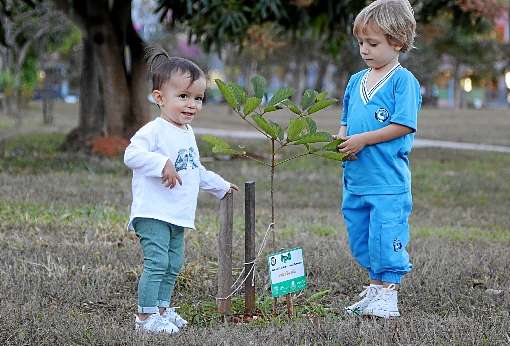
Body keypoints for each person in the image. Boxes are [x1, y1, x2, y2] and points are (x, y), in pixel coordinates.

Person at [124, 48, 238, 333]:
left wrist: (220, 186)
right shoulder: (154, 131)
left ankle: (162, 309)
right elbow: (131, 155)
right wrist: (161, 162)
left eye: (198, 98)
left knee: (173, 263)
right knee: (158, 262)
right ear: (159, 97)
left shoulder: (187, 133)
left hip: (176, 214)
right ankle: (145, 318)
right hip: (153, 212)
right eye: (183, 97)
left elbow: (193, 170)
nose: (192, 105)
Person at [335, 0, 422, 318]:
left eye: (373, 43)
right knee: (362, 237)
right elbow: (346, 119)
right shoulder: (356, 81)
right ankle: (374, 289)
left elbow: (402, 125)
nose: (364, 50)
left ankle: (388, 294)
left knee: (386, 236)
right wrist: (343, 138)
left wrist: (363, 140)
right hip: (356, 179)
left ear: (397, 42)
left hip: (387, 181)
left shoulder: (403, 82)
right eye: (361, 43)